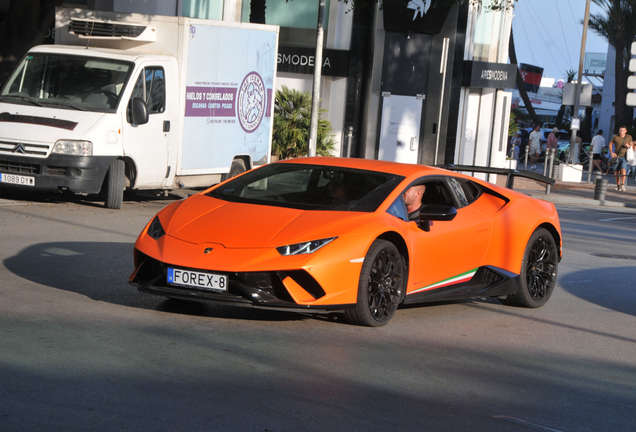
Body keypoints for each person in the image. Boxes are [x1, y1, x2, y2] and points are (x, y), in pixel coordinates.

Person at [609, 126, 632, 191]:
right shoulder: (615, 137)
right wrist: (612, 153)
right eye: (620, 130)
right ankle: (618, 185)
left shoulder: (628, 137)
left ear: (625, 131)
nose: (621, 132)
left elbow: (632, 144)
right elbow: (610, 144)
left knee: (623, 170)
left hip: (625, 156)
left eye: (622, 130)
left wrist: (629, 145)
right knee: (616, 171)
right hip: (617, 156)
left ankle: (623, 184)